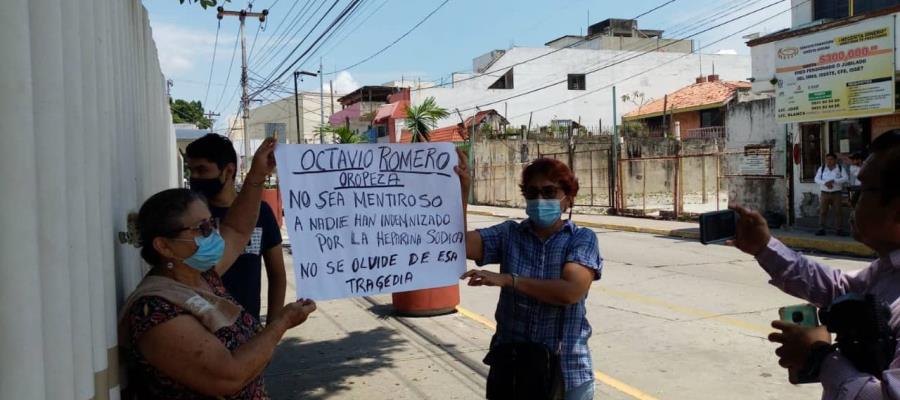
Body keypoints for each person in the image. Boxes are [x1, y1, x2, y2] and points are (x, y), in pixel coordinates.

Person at [119, 138, 317, 398]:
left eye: (210, 224)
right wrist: (280, 323)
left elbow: (237, 229)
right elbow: (228, 376)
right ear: (164, 246)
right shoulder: (156, 311)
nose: (213, 233)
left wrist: (257, 175)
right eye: (201, 229)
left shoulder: (200, 277)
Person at [729, 130, 900, 399]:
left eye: (863, 190)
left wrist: (820, 358)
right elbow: (840, 287)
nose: (853, 200)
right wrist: (764, 247)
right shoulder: (888, 268)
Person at [456, 154, 603, 400]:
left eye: (549, 192)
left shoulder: (582, 239)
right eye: (532, 193)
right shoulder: (509, 234)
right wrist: (462, 193)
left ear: (567, 199)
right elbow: (459, 245)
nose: (539, 199)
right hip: (513, 369)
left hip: (567, 371)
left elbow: (570, 291)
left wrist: (509, 280)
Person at [186, 133, 286, 323]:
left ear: (229, 171)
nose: (194, 177)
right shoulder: (191, 217)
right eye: (191, 170)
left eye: (202, 170)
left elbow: (277, 274)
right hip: (199, 330)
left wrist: (272, 330)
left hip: (247, 330)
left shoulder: (261, 213)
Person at [814, 153, 848, 236]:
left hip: (836, 193)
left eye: (831, 159)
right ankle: (821, 229)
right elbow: (816, 179)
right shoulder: (822, 168)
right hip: (824, 193)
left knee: (838, 211)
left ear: (835, 160)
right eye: (827, 159)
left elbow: (845, 178)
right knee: (823, 211)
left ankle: (839, 229)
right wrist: (825, 183)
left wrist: (834, 181)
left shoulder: (840, 168)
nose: (829, 161)